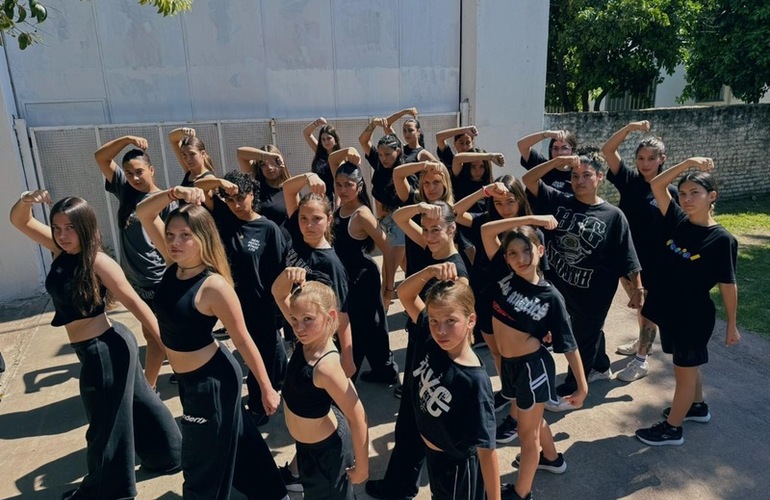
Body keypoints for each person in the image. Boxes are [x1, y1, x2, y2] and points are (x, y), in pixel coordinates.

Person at [10, 192, 182, 500]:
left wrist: (167, 344)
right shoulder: (61, 249)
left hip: (103, 351)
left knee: (105, 427)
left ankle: (109, 491)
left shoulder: (97, 260)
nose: (62, 235)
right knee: (141, 405)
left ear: (86, 227)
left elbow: (134, 301)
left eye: (70, 227)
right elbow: (19, 221)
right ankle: (168, 455)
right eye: (57, 227)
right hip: (109, 346)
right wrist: (27, 200)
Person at [136, 191, 286, 500]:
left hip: (212, 381)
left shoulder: (213, 285)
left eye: (185, 235)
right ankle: (273, 492)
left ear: (203, 238)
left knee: (199, 458)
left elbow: (243, 338)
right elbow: (143, 212)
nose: (176, 241)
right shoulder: (173, 264)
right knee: (241, 438)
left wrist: (267, 387)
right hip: (191, 381)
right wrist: (172, 194)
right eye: (171, 235)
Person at [521, 150, 642, 410]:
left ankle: (574, 388)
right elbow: (529, 180)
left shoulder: (613, 215)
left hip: (594, 290)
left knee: (582, 337)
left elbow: (627, 254)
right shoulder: (559, 200)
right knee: (584, 333)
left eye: (586, 175)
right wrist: (556, 162)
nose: (579, 181)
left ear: (600, 178)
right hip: (562, 285)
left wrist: (638, 288)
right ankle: (599, 366)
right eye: (575, 176)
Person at [366, 200, 470, 500]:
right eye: (425, 229)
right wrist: (424, 206)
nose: (428, 235)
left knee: (413, 426)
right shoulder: (433, 252)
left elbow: (447, 324)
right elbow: (398, 216)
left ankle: (398, 489)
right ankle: (401, 485)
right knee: (410, 426)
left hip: (431, 352)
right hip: (420, 344)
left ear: (452, 229)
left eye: (436, 229)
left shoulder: (454, 271)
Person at [635, 157, 740, 446]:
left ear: (712, 197)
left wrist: (732, 324)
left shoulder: (721, 239)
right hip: (671, 310)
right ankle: (697, 406)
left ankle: (672, 429)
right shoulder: (679, 220)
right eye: (683, 193)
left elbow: (728, 285)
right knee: (687, 367)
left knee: (683, 373)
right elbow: (656, 184)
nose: (687, 198)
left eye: (695, 192)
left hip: (692, 317)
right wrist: (688, 163)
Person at [481, 221, 588, 500]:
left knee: (526, 436)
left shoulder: (550, 296)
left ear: (540, 251)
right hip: (510, 367)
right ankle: (551, 459)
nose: (520, 258)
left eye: (526, 251)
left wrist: (581, 385)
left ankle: (521, 492)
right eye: (512, 253)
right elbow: (487, 231)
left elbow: (568, 342)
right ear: (505, 258)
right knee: (533, 420)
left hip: (532, 368)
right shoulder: (505, 280)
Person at [193, 171, 289, 425]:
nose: (236, 205)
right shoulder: (225, 216)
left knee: (262, 352)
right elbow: (199, 186)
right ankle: (281, 380)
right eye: (231, 199)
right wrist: (221, 184)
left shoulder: (267, 228)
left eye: (241, 198)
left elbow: (279, 271)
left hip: (261, 304)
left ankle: (259, 405)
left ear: (253, 196)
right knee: (253, 351)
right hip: (231, 303)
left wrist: (281, 308)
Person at [398, 262, 500, 500]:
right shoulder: (429, 335)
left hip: (456, 468)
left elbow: (487, 452)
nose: (440, 330)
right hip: (433, 455)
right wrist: (429, 272)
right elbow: (405, 293)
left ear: (471, 320)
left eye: (450, 321)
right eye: (434, 320)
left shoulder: (474, 381)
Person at [272, 267, 369, 499]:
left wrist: (362, 468)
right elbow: (278, 293)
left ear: (330, 317)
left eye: (307, 319)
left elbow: (358, 416)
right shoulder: (307, 336)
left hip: (327, 454)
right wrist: (288, 275)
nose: (298, 327)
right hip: (307, 448)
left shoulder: (326, 366)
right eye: (294, 319)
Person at [601, 121, 679, 382]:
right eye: (641, 158)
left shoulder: (672, 193)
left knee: (648, 312)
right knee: (639, 307)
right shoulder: (629, 181)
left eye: (651, 158)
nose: (645, 163)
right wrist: (630, 128)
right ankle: (640, 344)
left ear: (662, 160)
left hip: (655, 266)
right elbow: (608, 150)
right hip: (626, 259)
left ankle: (642, 361)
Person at [94, 135, 174, 387]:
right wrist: (127, 140)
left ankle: (149, 388)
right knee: (155, 334)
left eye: (139, 172)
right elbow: (101, 157)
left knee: (155, 337)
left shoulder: (164, 200)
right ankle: (183, 373)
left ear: (151, 170)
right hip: (134, 280)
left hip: (157, 280)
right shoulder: (125, 190)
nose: (135, 178)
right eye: (129, 173)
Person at [455, 175, 534, 419]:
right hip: (487, 295)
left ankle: (522, 404)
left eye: (511, 202)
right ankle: (508, 391)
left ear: (521, 200)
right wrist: (484, 192)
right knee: (497, 353)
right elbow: (454, 213)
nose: (505, 209)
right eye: (499, 203)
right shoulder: (486, 221)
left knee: (517, 356)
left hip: (517, 301)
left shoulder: (530, 230)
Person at [328, 147, 398, 383]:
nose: (343, 189)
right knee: (366, 327)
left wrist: (388, 289)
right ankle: (381, 371)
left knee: (365, 328)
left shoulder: (362, 214)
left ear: (359, 186)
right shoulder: (341, 205)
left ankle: (358, 374)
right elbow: (331, 160)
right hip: (345, 277)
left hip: (362, 278)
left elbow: (389, 249)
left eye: (349, 184)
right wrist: (346, 151)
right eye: (339, 184)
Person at [282, 172, 354, 377]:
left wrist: (347, 358)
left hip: (320, 337)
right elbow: (288, 189)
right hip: (297, 327)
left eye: (317, 219)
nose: (309, 225)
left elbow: (342, 314)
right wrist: (307, 176)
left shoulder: (331, 264)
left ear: (329, 220)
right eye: (303, 218)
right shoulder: (298, 235)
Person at [237, 144, 292, 227]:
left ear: (281, 163)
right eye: (263, 164)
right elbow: (240, 153)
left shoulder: (290, 186)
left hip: (286, 239)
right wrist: (267, 156)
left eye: (273, 163)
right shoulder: (255, 182)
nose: (269, 168)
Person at [517, 129, 577, 194]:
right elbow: (522, 145)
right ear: (550, 150)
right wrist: (547, 134)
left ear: (572, 150)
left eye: (564, 148)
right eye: (555, 148)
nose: (559, 152)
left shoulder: (578, 174)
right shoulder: (542, 167)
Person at [303, 117, 341, 204]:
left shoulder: (339, 157)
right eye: (323, 139)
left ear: (335, 140)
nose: (326, 142)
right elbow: (306, 133)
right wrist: (317, 123)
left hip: (331, 199)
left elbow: (338, 182)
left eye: (329, 138)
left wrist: (337, 204)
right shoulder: (319, 152)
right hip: (316, 196)